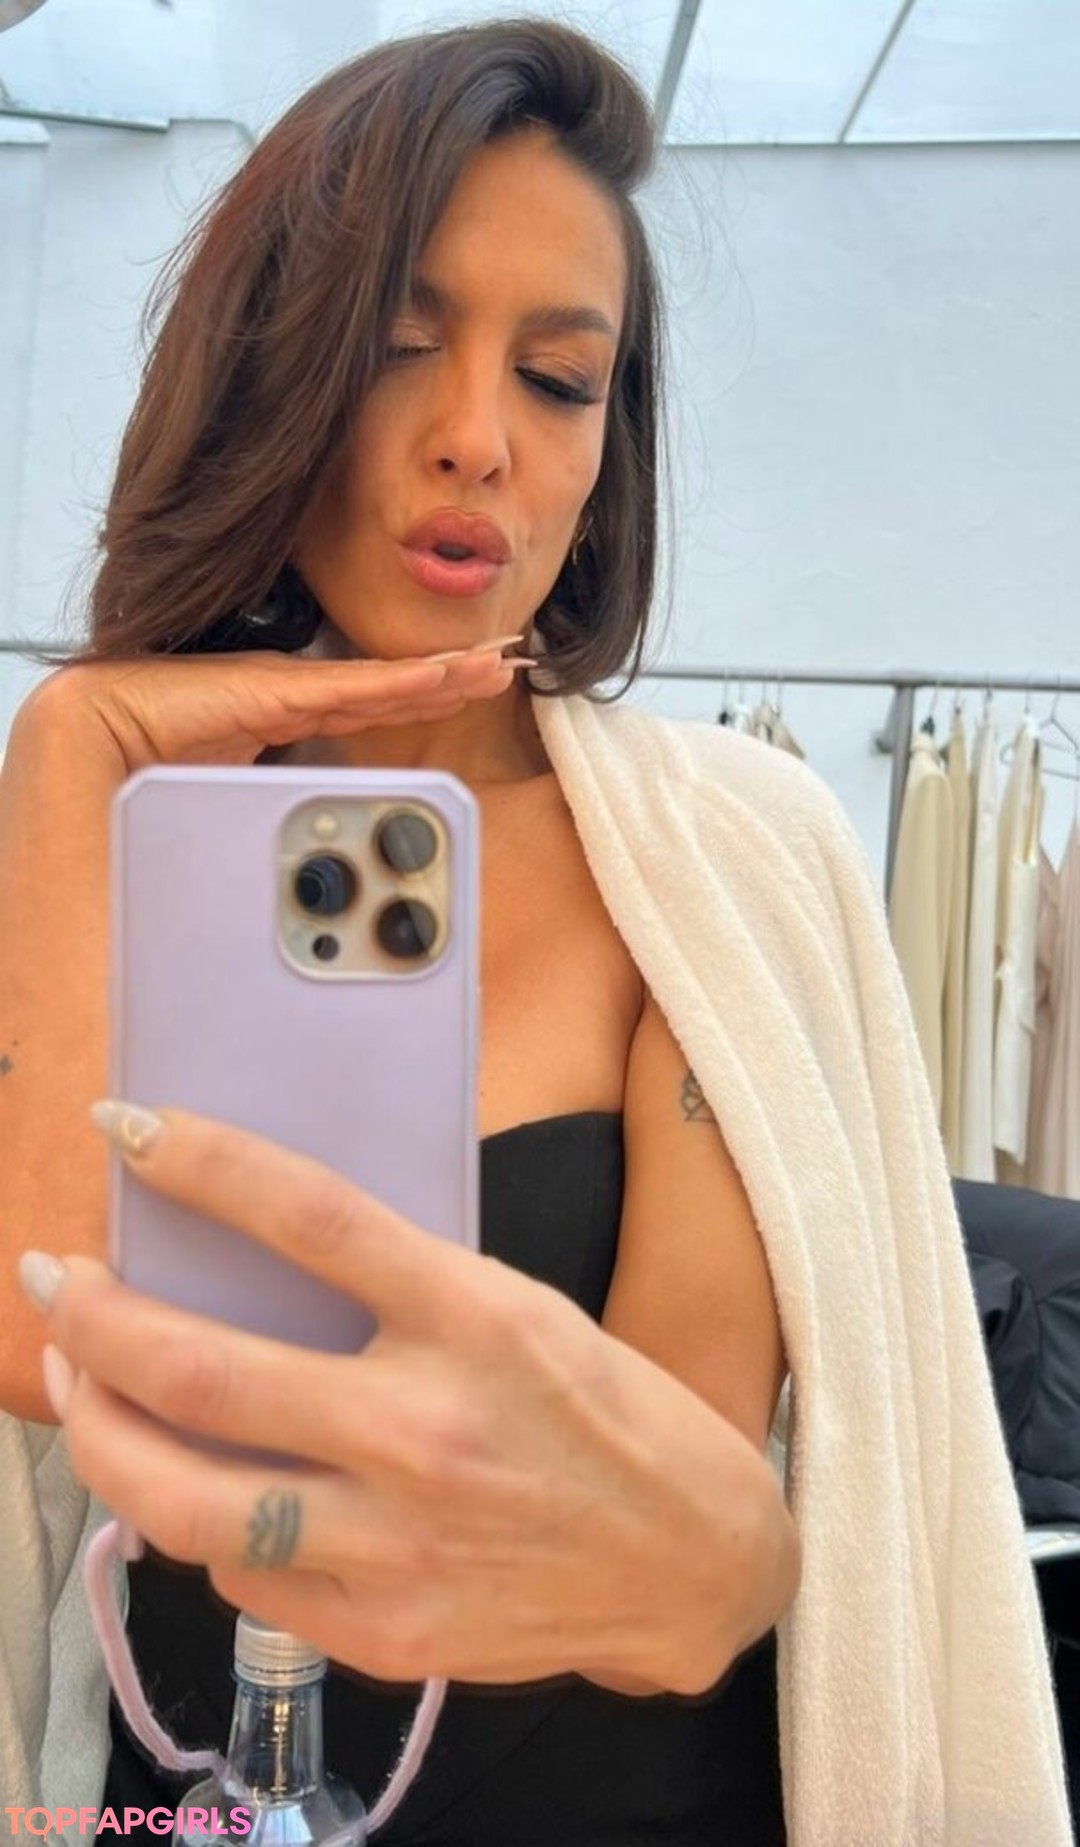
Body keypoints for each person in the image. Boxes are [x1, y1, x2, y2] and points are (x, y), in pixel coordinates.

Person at [0, 18, 1070, 1846]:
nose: (478, 441)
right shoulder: (106, 834)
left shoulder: (721, 863)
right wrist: (63, 759)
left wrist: (722, 1549)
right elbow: (40, 1362)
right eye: (395, 346)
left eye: (560, 380)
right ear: (271, 374)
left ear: (604, 455)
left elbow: (662, 1563)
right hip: (191, 1797)